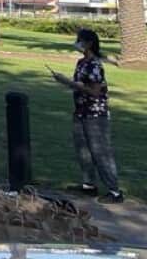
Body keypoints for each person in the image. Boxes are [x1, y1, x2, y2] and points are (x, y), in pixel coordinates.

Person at [51, 28, 123, 204]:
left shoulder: (95, 65)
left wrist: (69, 83)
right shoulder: (81, 62)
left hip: (95, 114)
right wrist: (67, 82)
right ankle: (88, 185)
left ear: (89, 43)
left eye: (79, 40)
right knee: (83, 151)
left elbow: (95, 91)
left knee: (100, 152)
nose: (77, 43)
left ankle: (114, 191)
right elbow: (80, 85)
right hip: (81, 112)